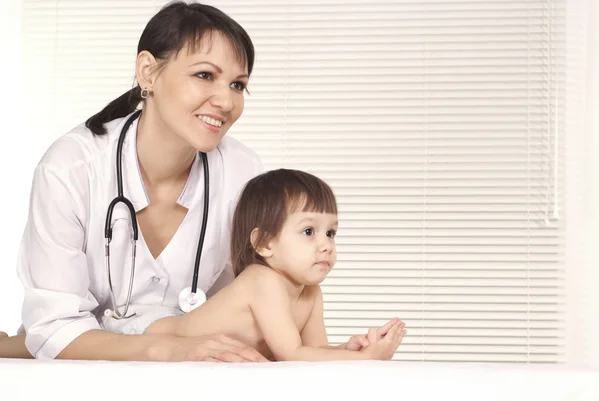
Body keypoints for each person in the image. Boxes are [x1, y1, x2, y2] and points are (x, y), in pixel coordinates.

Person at [0, 1, 401, 362]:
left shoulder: (242, 171)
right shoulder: (71, 167)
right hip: (96, 359)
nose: (226, 102)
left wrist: (332, 353)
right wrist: (169, 349)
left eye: (238, 84)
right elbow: (55, 328)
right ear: (148, 72)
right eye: (205, 75)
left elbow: (246, 301)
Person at [142, 168, 407, 361]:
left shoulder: (310, 292)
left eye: (331, 233)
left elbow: (313, 352)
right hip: (150, 331)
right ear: (265, 243)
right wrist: (368, 359)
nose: (326, 244)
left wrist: (349, 349)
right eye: (308, 232)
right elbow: (291, 355)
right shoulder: (262, 280)